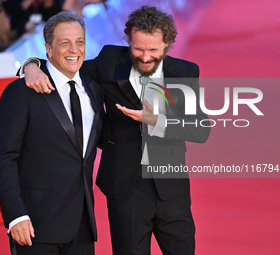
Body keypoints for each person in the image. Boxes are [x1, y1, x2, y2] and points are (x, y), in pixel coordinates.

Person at [21, 5, 210, 255]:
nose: (144, 57)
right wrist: (31, 65)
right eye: (137, 49)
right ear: (128, 40)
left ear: (168, 44)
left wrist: (159, 120)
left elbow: (200, 129)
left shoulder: (185, 72)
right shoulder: (110, 61)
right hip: (125, 189)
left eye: (153, 50)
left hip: (171, 190)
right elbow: (65, 67)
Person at [0, 11, 104, 255]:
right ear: (48, 49)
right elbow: (4, 158)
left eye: (80, 42)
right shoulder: (21, 92)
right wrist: (15, 215)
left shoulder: (94, 87)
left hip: (83, 226)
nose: (74, 49)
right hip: (35, 225)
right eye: (64, 43)